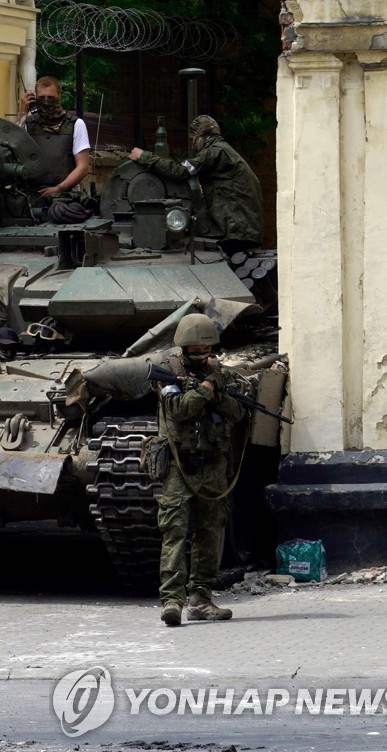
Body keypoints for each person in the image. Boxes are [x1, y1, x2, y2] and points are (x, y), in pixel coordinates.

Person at [153, 314, 245, 627]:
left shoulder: (220, 374)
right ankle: (172, 601)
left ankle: (201, 598)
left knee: (210, 530)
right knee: (175, 530)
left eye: (205, 350)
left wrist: (216, 391)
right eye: (194, 351)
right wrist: (206, 389)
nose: (201, 355)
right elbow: (177, 409)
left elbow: (237, 412)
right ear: (183, 348)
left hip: (214, 462)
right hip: (181, 464)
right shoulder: (168, 373)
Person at [131, 114, 262, 255]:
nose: (193, 145)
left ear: (201, 135)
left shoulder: (215, 152)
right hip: (241, 227)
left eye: (192, 139)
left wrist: (144, 156)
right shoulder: (224, 150)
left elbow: (181, 171)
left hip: (235, 230)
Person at [20, 76, 91, 199]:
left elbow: (83, 167)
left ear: (59, 96)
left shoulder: (75, 124)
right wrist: (22, 114)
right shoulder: (27, 123)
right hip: (31, 195)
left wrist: (58, 189)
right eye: (41, 98)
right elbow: (14, 150)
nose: (46, 101)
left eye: (51, 98)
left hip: (65, 196)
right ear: (35, 98)